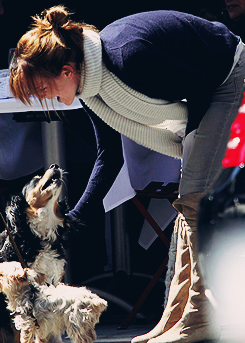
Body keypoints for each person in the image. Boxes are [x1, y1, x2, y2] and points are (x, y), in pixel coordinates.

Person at [8, 6, 245, 343]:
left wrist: (192, 147)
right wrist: (71, 220)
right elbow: (110, 156)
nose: (44, 101)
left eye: (42, 91)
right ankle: (177, 316)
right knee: (186, 206)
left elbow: (201, 86)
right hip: (207, 89)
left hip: (230, 72)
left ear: (65, 70)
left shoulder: (125, 57)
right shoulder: (91, 88)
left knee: (194, 201)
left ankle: (200, 317)